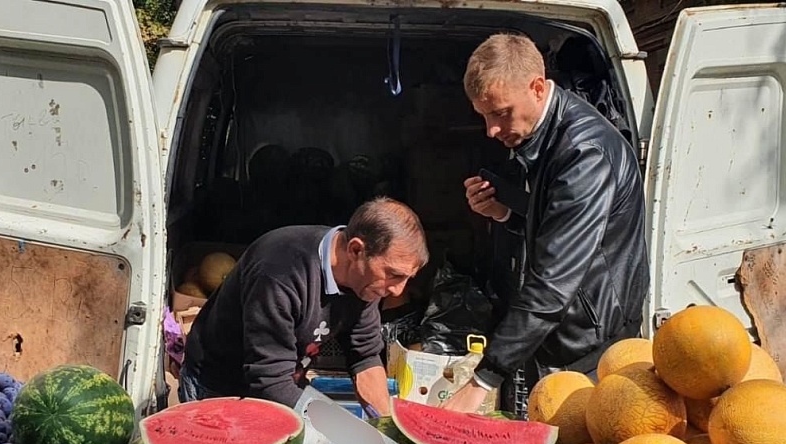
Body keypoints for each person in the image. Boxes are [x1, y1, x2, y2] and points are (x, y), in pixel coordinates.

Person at [442, 33, 649, 414]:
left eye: (501, 112)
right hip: (564, 331)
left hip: (591, 345)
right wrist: (505, 211)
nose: (490, 129)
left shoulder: (583, 154)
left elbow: (554, 285)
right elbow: (561, 226)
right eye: (484, 115)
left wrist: (483, 379)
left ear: (538, 88)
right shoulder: (548, 135)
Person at [179, 197, 428, 415]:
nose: (398, 290)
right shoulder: (280, 272)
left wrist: (386, 429)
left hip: (283, 380)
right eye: (394, 275)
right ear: (356, 250)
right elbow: (270, 382)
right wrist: (351, 438)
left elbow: (365, 355)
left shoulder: (365, 280)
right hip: (218, 386)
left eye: (408, 278)